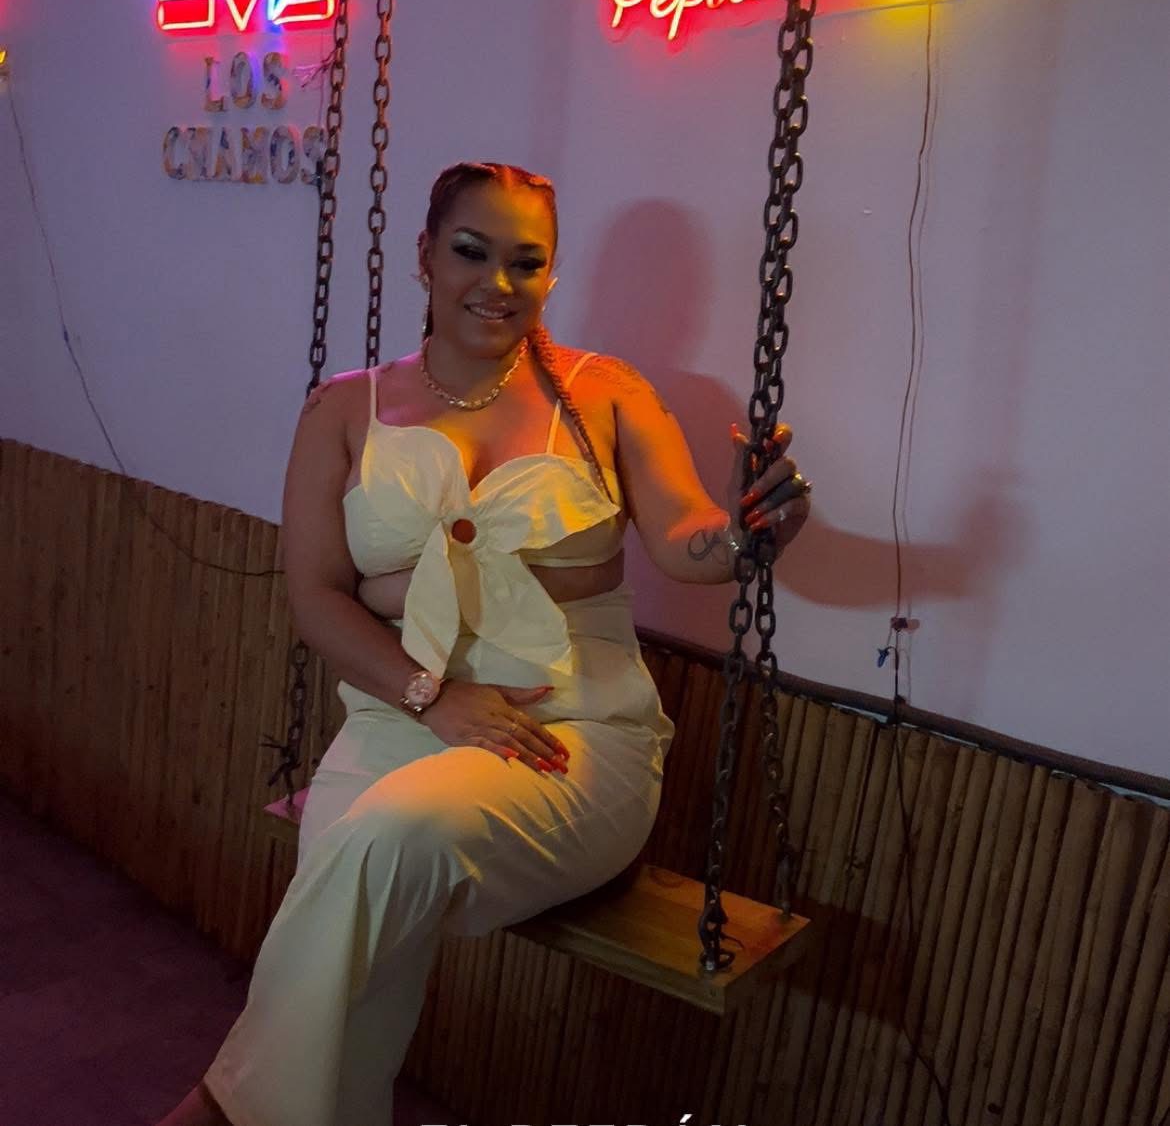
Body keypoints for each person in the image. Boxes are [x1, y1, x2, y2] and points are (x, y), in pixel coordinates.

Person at [157, 161, 811, 1126]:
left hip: (569, 735)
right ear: (425, 256)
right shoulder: (344, 410)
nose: (498, 282)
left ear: (552, 273)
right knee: (356, 972)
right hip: (393, 720)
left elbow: (687, 540)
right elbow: (317, 597)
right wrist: (432, 697)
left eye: (526, 262)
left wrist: (750, 537)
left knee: (383, 838)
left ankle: (219, 1113)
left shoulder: (604, 394)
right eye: (472, 251)